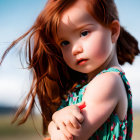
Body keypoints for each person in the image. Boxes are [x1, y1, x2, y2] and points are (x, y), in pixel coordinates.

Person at [0, 0, 139, 139]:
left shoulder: (108, 81)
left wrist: (54, 124)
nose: (75, 50)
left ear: (113, 31)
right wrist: (55, 121)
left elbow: (68, 137)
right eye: (65, 43)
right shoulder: (86, 84)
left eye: (84, 33)